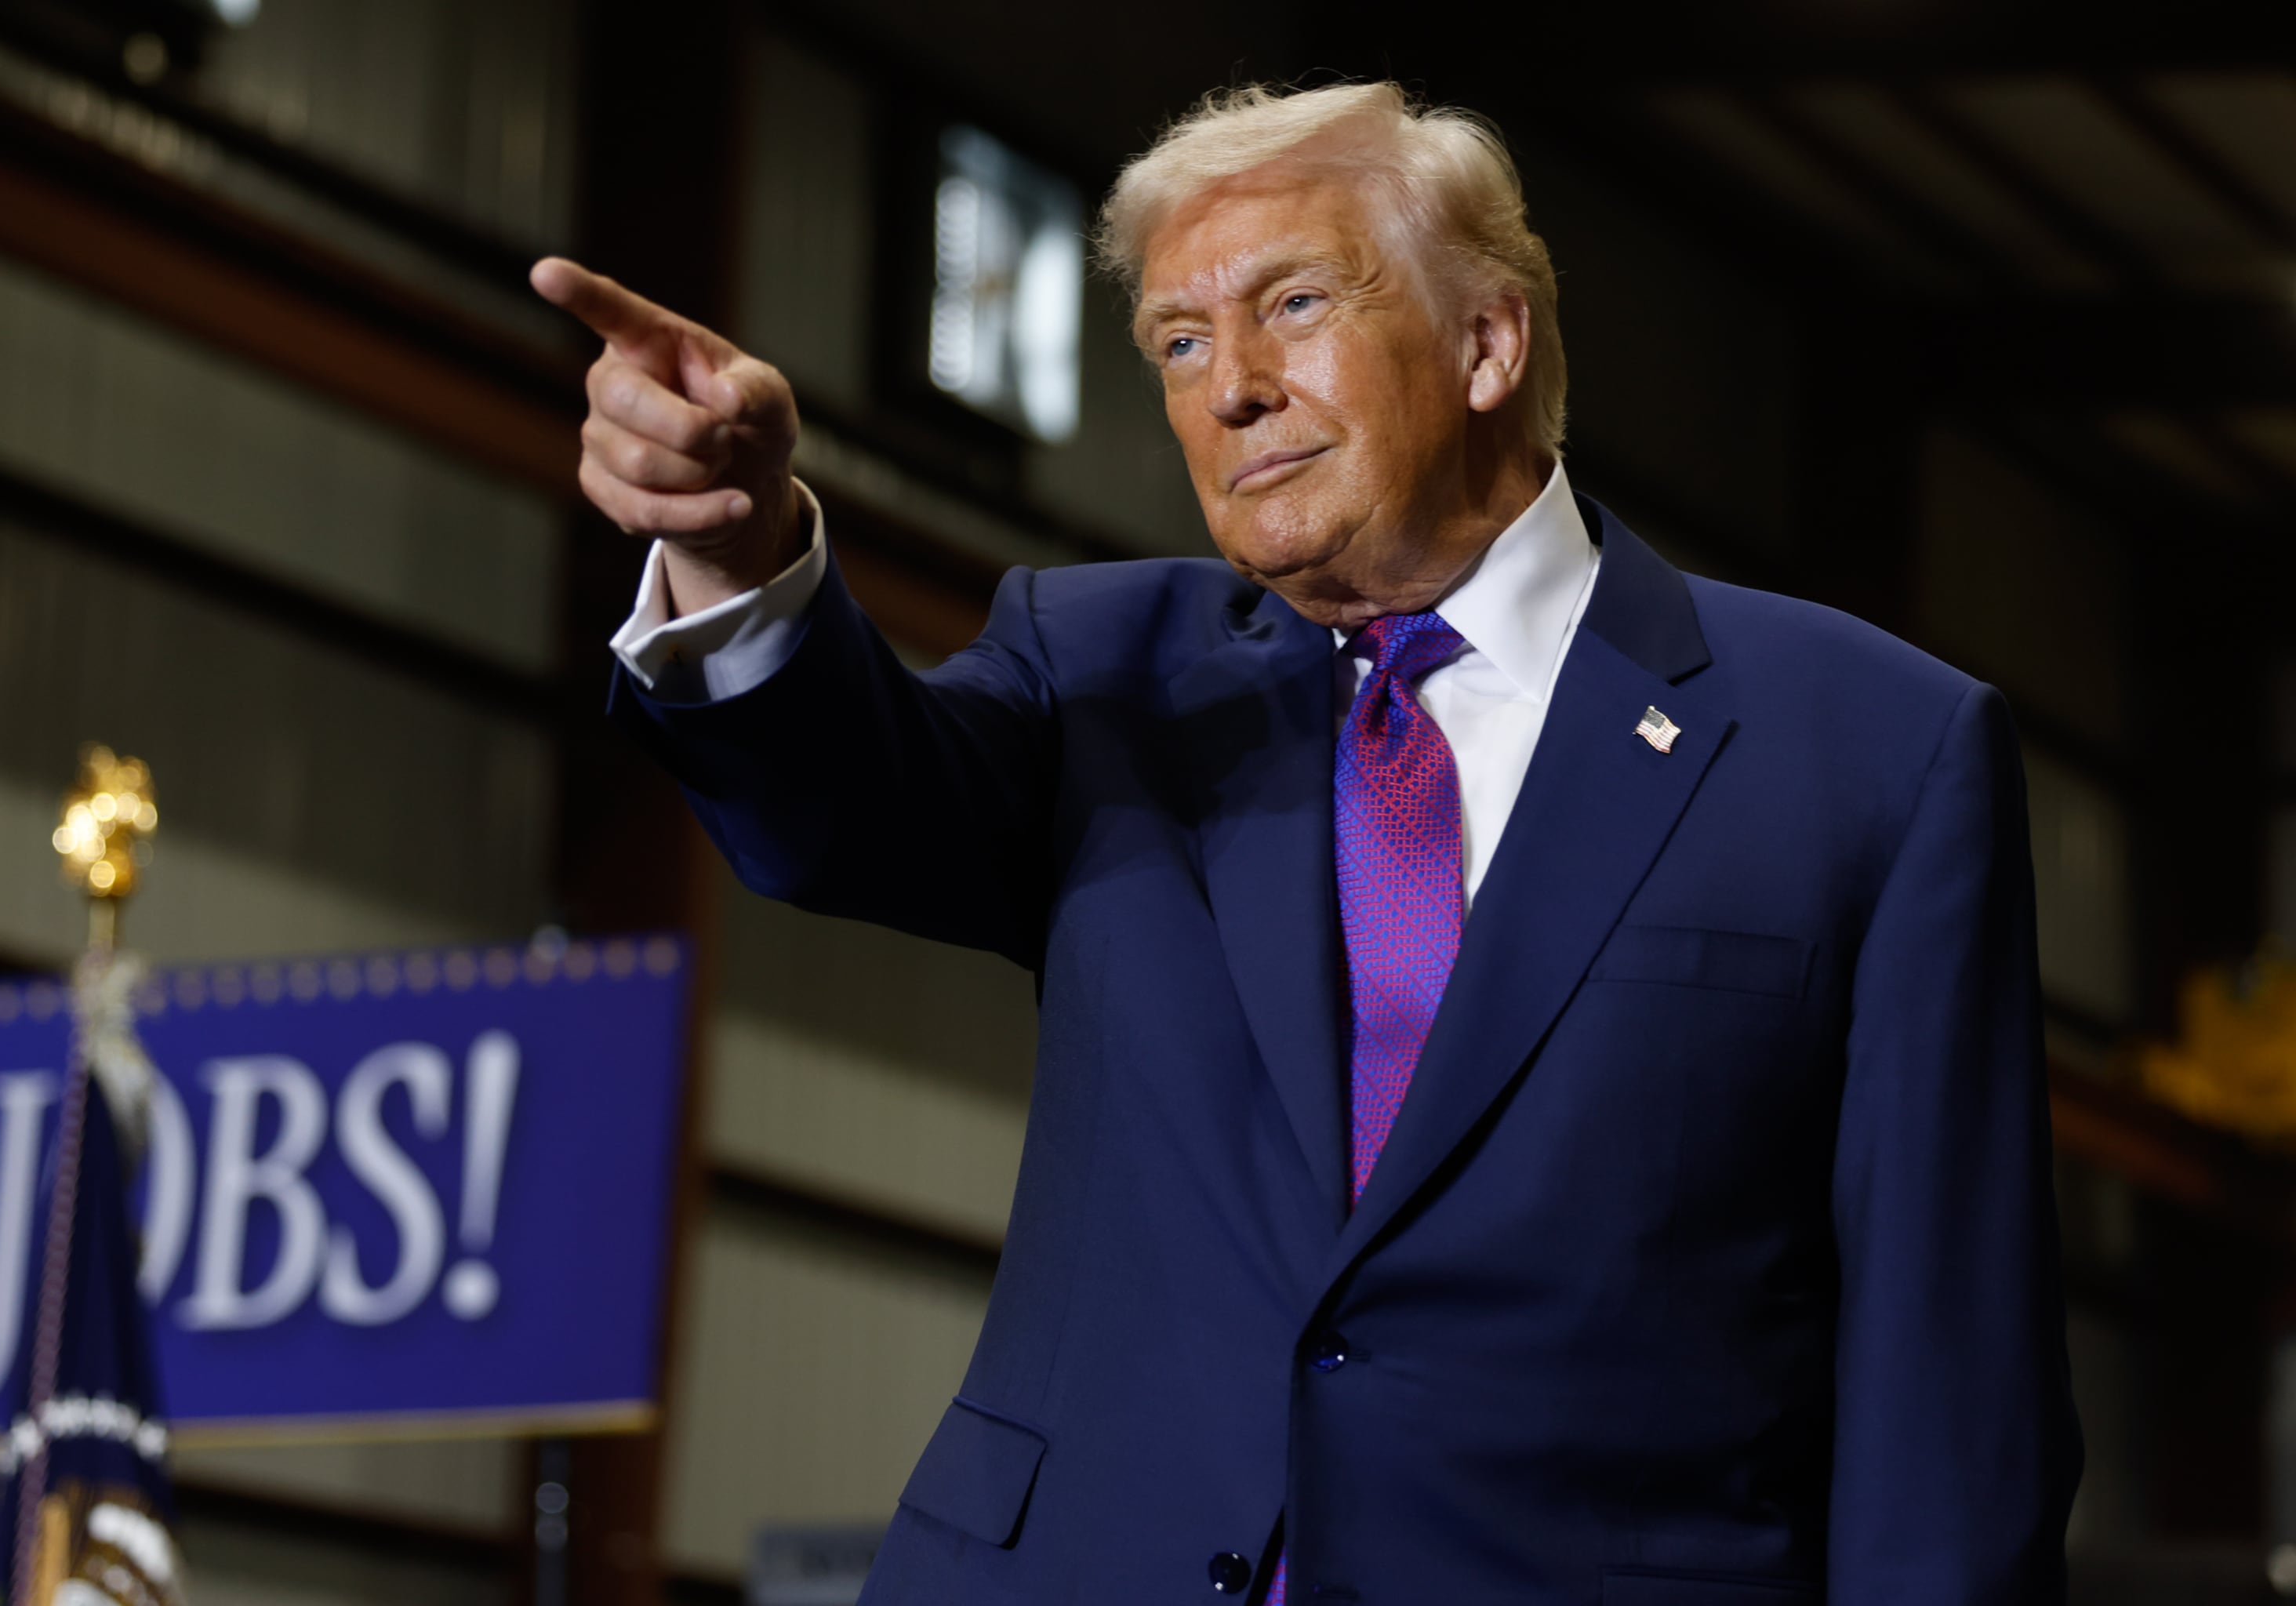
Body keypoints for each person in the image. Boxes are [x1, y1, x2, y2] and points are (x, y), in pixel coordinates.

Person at [531, 81, 2078, 1605]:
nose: (1230, 387)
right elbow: (841, 811)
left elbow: (1953, 1388)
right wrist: (737, 550)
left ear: (1485, 344)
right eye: (1182, 343)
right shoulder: (1105, 673)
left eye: (1292, 306)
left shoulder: (1869, 749)